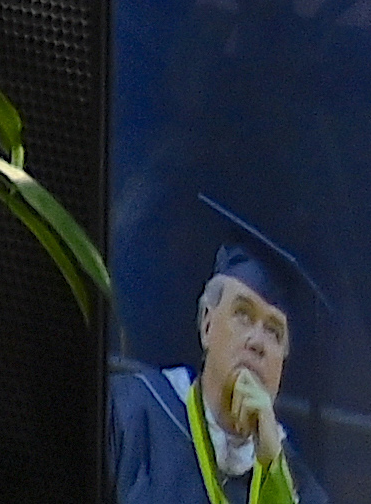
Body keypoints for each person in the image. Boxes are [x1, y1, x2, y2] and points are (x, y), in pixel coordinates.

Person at [108, 212, 330, 504]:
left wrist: (272, 471)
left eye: (274, 331)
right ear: (207, 324)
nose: (257, 342)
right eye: (243, 314)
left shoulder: (301, 491)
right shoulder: (129, 412)